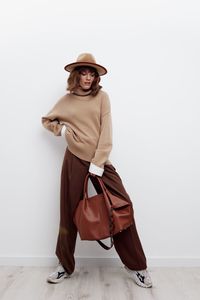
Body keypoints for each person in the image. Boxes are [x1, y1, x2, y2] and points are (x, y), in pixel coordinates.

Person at [41, 53, 153, 288]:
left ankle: (136, 266)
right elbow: (47, 120)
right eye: (84, 73)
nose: (88, 78)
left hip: (99, 162)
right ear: (76, 75)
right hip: (73, 159)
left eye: (92, 74)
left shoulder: (103, 98)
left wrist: (99, 162)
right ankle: (64, 265)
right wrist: (61, 131)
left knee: (120, 207)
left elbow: (106, 132)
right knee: (68, 212)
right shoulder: (67, 100)